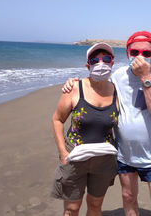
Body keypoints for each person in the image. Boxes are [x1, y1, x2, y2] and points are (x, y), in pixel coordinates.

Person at [63, 31, 151, 216]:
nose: (140, 57)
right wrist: (73, 82)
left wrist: (145, 77)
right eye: (135, 52)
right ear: (127, 53)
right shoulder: (118, 76)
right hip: (126, 154)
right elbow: (96, 84)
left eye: (146, 53)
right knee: (128, 198)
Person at [51, 42, 119, 216]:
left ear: (112, 62)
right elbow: (57, 119)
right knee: (71, 209)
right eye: (95, 60)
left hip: (104, 159)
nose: (101, 63)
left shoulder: (117, 91)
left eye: (106, 59)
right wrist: (62, 153)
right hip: (74, 157)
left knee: (95, 206)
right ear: (88, 65)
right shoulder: (74, 88)